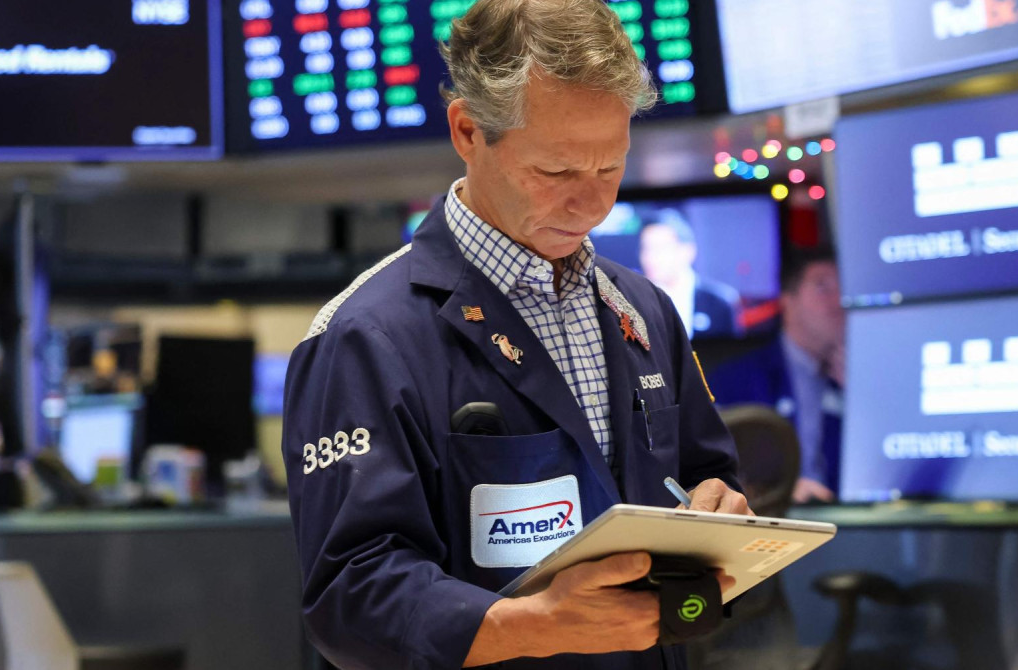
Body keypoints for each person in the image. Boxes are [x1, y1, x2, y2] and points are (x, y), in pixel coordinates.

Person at [281, 1, 749, 668]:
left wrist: (720, 511)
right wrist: (537, 625)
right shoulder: (364, 336)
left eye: (610, 169)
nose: (592, 205)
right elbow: (350, 596)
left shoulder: (644, 308)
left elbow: (707, 474)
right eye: (556, 172)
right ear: (468, 132)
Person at [706, 249, 845, 503]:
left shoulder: (859, 379)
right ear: (788, 300)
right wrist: (779, 490)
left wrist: (861, 394)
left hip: (849, 516)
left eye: (843, 288)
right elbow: (712, 470)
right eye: (823, 287)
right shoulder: (734, 380)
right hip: (772, 512)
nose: (839, 300)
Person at [637, 211, 741, 339]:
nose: (649, 257)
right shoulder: (632, 301)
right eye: (646, 248)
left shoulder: (720, 302)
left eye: (660, 248)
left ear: (687, 251)